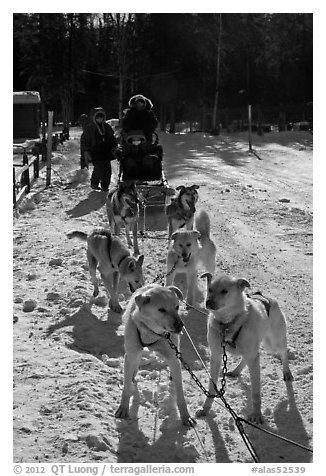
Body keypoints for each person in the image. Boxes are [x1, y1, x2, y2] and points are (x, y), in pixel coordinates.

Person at [81, 107, 118, 191]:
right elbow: (85, 140)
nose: (100, 119)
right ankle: (94, 183)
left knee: (107, 169)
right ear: (94, 118)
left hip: (106, 151)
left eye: (101, 117)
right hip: (95, 151)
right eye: (98, 117)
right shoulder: (90, 128)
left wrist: (114, 147)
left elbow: (112, 138)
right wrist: (86, 151)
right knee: (98, 168)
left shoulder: (107, 127)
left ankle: (105, 185)